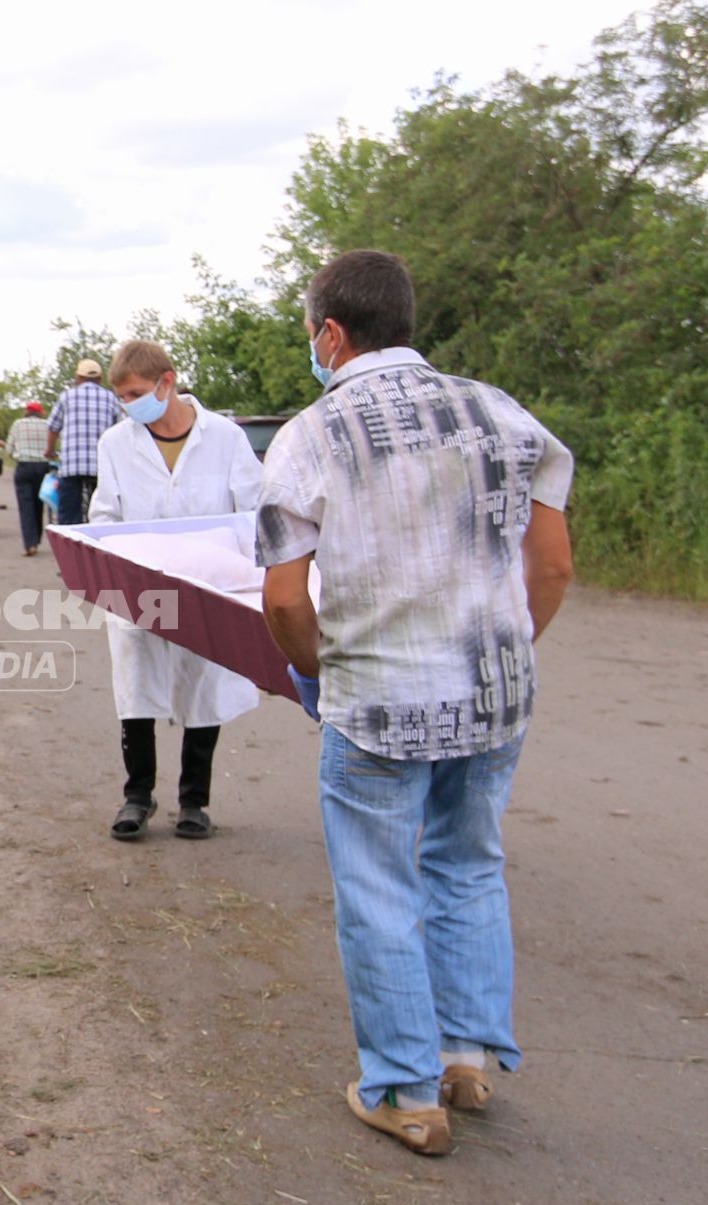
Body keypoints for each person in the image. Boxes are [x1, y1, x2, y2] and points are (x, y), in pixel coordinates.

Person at [257, 250, 575, 1157]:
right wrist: (502, 655)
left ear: (330, 333)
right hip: (493, 694)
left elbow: (283, 600)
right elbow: (549, 566)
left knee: (378, 883)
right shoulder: (504, 414)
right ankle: (466, 1056)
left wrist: (323, 672)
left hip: (379, 699)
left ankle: (403, 1088)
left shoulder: (311, 435)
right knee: (468, 862)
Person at [89, 340, 262, 842]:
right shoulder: (116, 443)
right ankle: (137, 795)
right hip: (140, 584)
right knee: (137, 687)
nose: (129, 405)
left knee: (202, 686)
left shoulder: (225, 438)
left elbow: (252, 511)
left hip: (208, 584)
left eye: (136, 393)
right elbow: (105, 513)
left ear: (167, 381)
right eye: (122, 397)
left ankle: (194, 802)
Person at [47, 358, 121, 524]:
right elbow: (121, 429)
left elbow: (53, 428)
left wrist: (50, 450)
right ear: (100, 379)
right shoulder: (110, 398)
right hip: (102, 466)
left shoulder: (66, 397)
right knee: (104, 513)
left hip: (71, 465)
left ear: (78, 378)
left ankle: (69, 545)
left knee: (68, 513)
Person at [5, 401, 53, 555]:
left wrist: (15, 456)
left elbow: (9, 448)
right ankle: (37, 538)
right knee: (39, 504)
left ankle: (30, 543)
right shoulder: (47, 424)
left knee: (26, 506)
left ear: (26, 411)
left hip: (24, 466)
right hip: (43, 467)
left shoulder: (18, 424)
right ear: (40, 413)